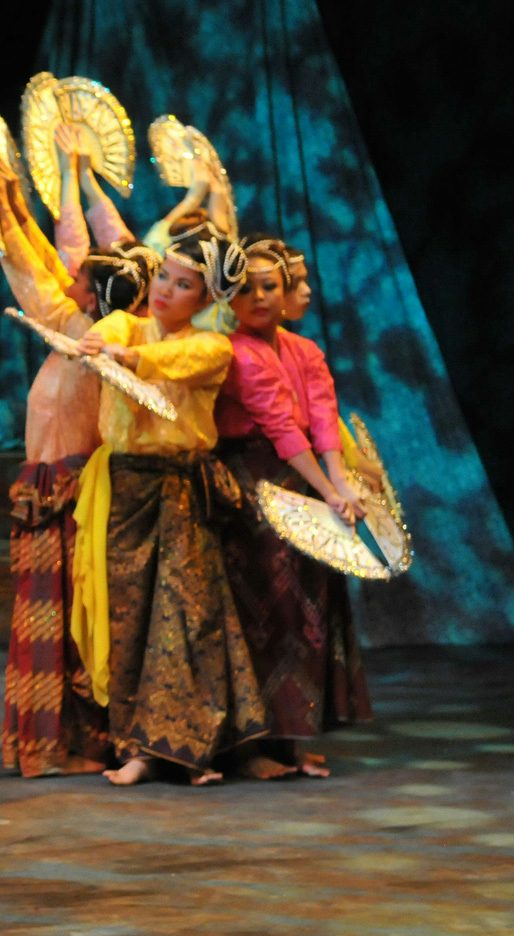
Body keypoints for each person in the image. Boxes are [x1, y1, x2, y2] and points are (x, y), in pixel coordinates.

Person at [69, 221, 267, 786]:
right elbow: (108, 338)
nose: (165, 291)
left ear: (206, 300)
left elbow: (164, 365)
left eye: (184, 286)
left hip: (180, 490)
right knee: (128, 620)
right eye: (164, 277)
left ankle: (186, 747)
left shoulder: (209, 347)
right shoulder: (123, 324)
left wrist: (121, 357)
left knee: (184, 616)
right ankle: (136, 747)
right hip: (125, 490)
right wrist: (96, 347)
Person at [0, 150, 154, 777]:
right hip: (58, 482)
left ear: (97, 294)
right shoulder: (89, 319)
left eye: (79, 278)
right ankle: (57, 740)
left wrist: (8, 206)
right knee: (59, 608)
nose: (68, 279)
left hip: (74, 489)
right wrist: (48, 191)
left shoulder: (98, 334)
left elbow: (32, 267)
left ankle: (71, 740)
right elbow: (75, 248)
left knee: (72, 611)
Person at [214, 237, 372, 776]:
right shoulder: (234, 352)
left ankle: (294, 737)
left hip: (300, 480)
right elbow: (279, 426)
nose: (258, 297)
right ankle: (253, 745)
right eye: (245, 289)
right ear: (228, 299)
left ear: (285, 293)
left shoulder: (304, 351)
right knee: (265, 609)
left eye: (269, 287)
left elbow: (322, 421)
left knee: (307, 608)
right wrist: (328, 491)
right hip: (252, 486)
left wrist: (339, 484)